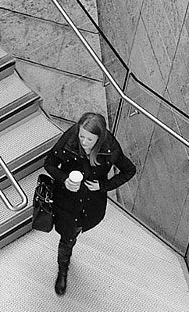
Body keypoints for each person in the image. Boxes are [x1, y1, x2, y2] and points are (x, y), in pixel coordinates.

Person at [41, 111, 136, 296]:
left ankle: (66, 259)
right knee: (67, 238)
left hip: (90, 203)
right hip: (67, 201)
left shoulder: (110, 148)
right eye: (81, 136)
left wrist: (104, 185)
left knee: (73, 234)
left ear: (99, 139)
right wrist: (64, 179)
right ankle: (63, 270)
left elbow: (129, 170)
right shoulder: (70, 140)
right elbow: (50, 163)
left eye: (89, 139)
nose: (83, 142)